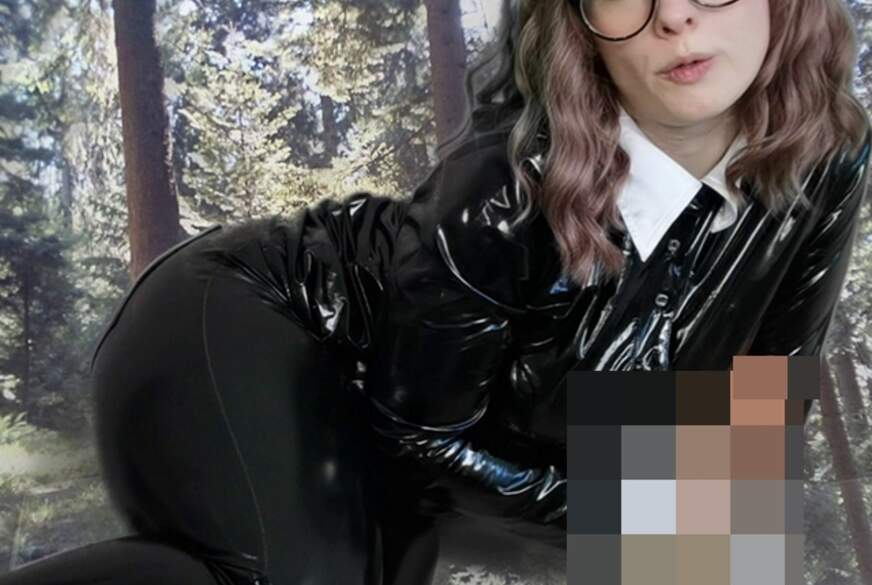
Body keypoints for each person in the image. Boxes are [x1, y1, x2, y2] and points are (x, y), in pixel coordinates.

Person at [1, 0, 870, 583]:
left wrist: (687, 521)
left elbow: (757, 419)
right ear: (580, 24)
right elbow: (422, 430)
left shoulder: (831, 158)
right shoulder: (508, 187)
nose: (674, 15)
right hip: (255, 320)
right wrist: (645, 517)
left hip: (407, 441)